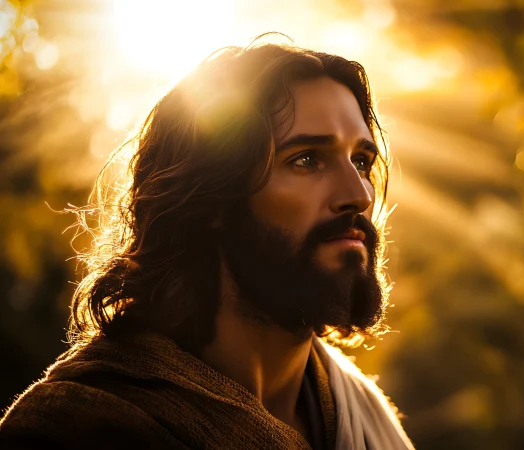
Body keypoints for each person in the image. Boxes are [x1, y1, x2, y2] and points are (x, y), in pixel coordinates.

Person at [0, 37, 414, 450]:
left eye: (361, 161)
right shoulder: (78, 427)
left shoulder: (361, 415)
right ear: (212, 198)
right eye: (306, 159)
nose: (359, 194)